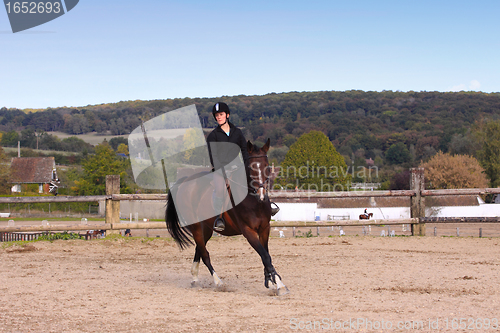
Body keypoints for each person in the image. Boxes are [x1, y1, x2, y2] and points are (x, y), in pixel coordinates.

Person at [206, 102, 278, 231]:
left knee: (257, 180)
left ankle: (268, 206)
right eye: (216, 115)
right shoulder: (213, 136)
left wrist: (247, 166)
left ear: (227, 115)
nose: (218, 117)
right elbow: (213, 157)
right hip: (220, 170)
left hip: (238, 167)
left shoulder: (237, 133)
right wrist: (222, 171)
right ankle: (219, 218)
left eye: (221, 114)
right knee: (221, 189)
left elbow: (245, 151)